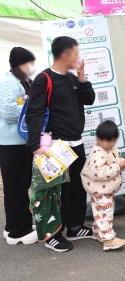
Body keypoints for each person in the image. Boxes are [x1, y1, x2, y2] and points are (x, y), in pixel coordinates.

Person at [26, 36, 96, 252]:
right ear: (65, 55)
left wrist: (83, 79)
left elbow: (90, 99)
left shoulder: (72, 78)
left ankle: (74, 226)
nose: (78, 57)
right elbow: (34, 112)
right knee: (55, 193)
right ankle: (52, 234)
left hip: (76, 143)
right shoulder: (43, 79)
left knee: (76, 188)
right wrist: (35, 145)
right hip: (55, 146)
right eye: (75, 53)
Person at [0, 47, 37, 245]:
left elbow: (21, 105)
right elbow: (8, 112)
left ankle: (17, 224)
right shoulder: (9, 82)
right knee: (15, 187)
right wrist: (30, 110)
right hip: (10, 144)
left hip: (22, 143)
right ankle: (17, 232)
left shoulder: (22, 83)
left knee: (22, 184)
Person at [81, 120, 125, 251]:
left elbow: (115, 159)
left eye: (113, 141)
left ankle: (97, 231)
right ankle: (108, 239)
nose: (112, 144)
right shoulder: (97, 153)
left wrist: (121, 164)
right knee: (105, 212)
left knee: (101, 211)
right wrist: (117, 166)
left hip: (105, 188)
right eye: (108, 141)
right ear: (99, 139)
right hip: (99, 188)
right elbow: (100, 173)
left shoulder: (110, 148)